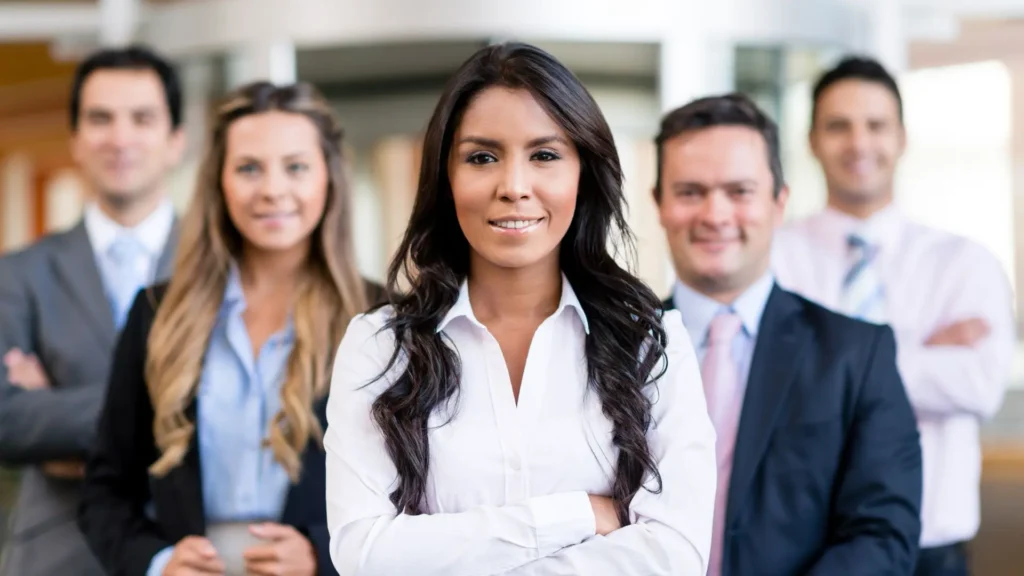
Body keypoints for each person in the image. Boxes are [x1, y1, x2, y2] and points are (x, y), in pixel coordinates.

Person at [323, 42, 717, 576]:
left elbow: (675, 555)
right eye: (482, 157)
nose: (513, 187)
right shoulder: (379, 346)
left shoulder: (652, 341)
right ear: (446, 177)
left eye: (545, 155)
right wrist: (574, 514)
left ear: (583, 172)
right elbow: (364, 554)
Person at [77, 81, 381, 576]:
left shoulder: (384, 318)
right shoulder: (157, 313)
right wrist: (156, 563)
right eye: (248, 168)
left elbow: (420, 494)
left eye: (296, 167)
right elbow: (105, 490)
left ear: (330, 179)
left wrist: (321, 554)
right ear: (219, 182)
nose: (272, 190)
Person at [655, 93, 922, 575]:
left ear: (779, 203)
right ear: (659, 204)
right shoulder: (606, 346)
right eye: (690, 191)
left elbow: (882, 533)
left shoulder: (856, 355)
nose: (715, 215)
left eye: (740, 191)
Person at [772, 56, 1016, 576]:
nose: (859, 143)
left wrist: (831, 362)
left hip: (933, 547)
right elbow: (768, 381)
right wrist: (921, 350)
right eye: (839, 126)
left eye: (876, 125)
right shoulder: (773, 257)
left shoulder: (964, 263)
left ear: (902, 138)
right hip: (805, 543)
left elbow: (980, 385)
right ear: (812, 140)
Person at [0, 45, 185, 576]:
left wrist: (58, 416)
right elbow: (7, 419)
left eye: (142, 118)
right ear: (76, 141)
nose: (120, 138)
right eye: (100, 119)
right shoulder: (18, 274)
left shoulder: (222, 267)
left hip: (193, 553)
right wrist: (165, 413)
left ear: (176, 141)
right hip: (59, 553)